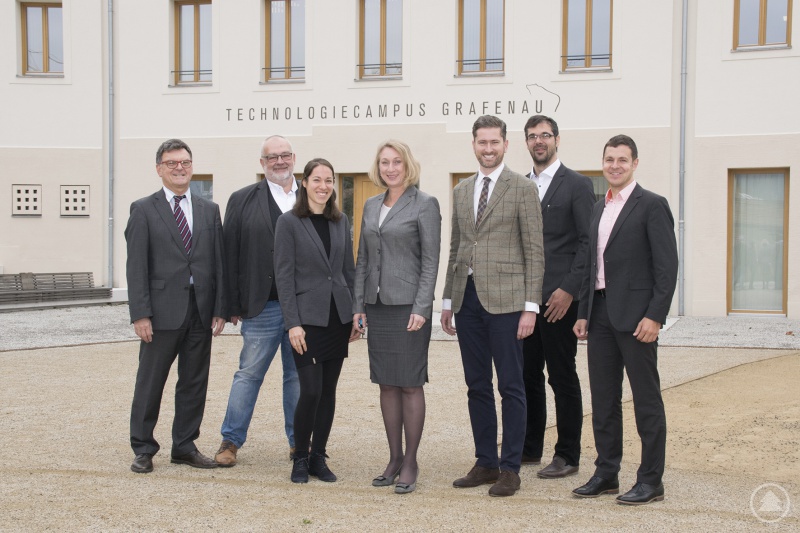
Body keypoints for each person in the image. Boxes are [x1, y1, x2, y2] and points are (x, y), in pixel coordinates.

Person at [441, 115, 544, 497]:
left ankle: (510, 468)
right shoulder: (461, 189)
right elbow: (457, 246)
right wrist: (448, 300)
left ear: (505, 145)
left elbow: (534, 250)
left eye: (494, 142)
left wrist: (530, 306)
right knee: (477, 385)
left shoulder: (522, 188)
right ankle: (485, 461)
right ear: (474, 144)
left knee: (511, 386)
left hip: (508, 303)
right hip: (467, 301)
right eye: (482, 142)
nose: (488, 149)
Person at [572, 135, 678, 505]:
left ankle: (651, 481)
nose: (614, 166)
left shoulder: (652, 205)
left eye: (622, 160)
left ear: (634, 164)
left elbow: (667, 268)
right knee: (603, 399)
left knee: (646, 400)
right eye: (609, 159)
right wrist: (583, 313)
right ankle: (606, 473)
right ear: (602, 163)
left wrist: (655, 316)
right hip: (599, 315)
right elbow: (591, 265)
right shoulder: (598, 207)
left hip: (637, 319)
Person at [126, 139, 227, 473]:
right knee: (150, 382)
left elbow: (218, 261)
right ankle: (143, 448)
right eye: (172, 163)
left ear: (192, 166)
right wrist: (140, 314)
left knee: (194, 382)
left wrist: (219, 307)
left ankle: (184, 445)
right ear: (159, 169)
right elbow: (136, 266)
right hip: (160, 312)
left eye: (184, 162)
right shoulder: (143, 209)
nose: (179, 168)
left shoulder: (209, 209)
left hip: (201, 310)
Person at [353, 140, 441, 495]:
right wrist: (358, 304)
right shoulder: (371, 205)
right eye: (384, 162)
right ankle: (394, 458)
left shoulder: (425, 204)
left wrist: (422, 308)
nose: (390, 168)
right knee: (386, 383)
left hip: (408, 307)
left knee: (409, 383)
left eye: (396, 162)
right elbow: (362, 258)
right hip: (376, 305)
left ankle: (411, 462)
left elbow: (431, 261)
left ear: (407, 165)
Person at [215, 135, 301, 467]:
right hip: (260, 307)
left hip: (303, 308)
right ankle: (230, 440)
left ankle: (299, 442)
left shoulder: (312, 197)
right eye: (272, 157)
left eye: (284, 155)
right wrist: (230, 304)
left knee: (297, 377)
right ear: (262, 163)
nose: (279, 161)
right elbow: (229, 253)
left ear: (293, 158)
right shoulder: (242, 199)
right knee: (248, 375)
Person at [520, 116, 595, 478]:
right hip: (525, 301)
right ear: (526, 142)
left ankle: (567, 454)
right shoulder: (520, 185)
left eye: (545, 135)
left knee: (562, 377)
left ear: (557, 140)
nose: (539, 141)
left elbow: (588, 242)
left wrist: (569, 289)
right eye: (533, 136)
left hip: (559, 301)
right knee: (526, 376)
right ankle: (529, 447)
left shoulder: (577, 184)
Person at [274, 158, 357, 484]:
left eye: (329, 180)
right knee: (310, 390)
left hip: (337, 317)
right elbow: (284, 277)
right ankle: (300, 456)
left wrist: (355, 313)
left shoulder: (340, 220)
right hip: (306, 320)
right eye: (317, 180)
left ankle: (318, 457)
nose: (324, 186)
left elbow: (347, 270)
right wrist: (292, 323)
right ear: (305, 182)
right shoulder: (288, 222)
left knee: (328, 392)